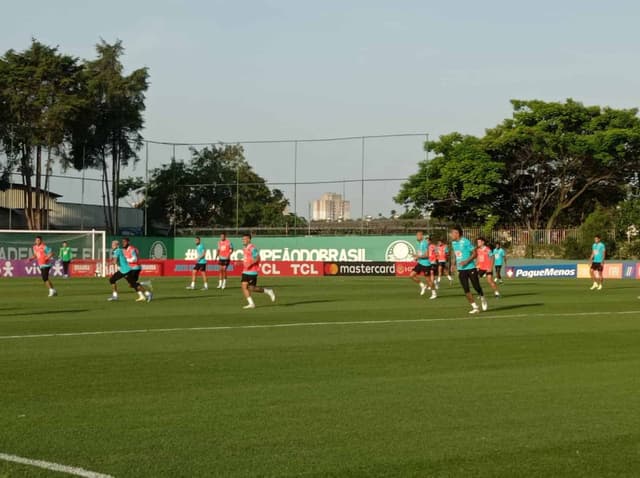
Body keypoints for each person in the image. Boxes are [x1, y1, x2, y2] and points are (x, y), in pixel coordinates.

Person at [450, 226, 486, 314]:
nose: (451, 235)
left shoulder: (466, 241)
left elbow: (475, 253)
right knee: (466, 289)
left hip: (470, 268)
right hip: (461, 269)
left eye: (452, 233)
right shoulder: (453, 243)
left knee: (476, 286)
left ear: (457, 234)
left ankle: (482, 296)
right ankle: (475, 307)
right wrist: (453, 264)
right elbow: (455, 254)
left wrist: (466, 261)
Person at [241, 233, 275, 309]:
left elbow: (257, 258)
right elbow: (247, 259)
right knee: (244, 287)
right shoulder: (245, 248)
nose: (243, 240)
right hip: (245, 271)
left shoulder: (252, 248)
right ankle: (251, 304)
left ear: (249, 239)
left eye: (245, 239)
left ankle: (268, 291)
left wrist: (250, 264)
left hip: (252, 271)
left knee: (251, 288)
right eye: (243, 239)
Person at [122, 238, 153, 302]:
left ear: (128, 242)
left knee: (133, 283)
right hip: (130, 268)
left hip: (135, 268)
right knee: (131, 284)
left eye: (125, 242)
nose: (124, 243)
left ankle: (148, 294)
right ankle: (142, 295)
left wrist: (127, 260)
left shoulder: (131, 249)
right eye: (123, 242)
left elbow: (135, 259)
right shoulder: (124, 250)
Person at [409, 231, 437, 299]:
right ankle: (423, 285)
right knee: (411, 275)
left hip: (426, 264)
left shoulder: (424, 243)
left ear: (421, 236)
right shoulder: (420, 243)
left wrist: (418, 257)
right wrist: (416, 256)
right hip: (420, 263)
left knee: (428, 280)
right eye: (416, 235)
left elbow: (427, 255)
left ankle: (434, 293)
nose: (417, 237)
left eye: (418, 235)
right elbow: (420, 254)